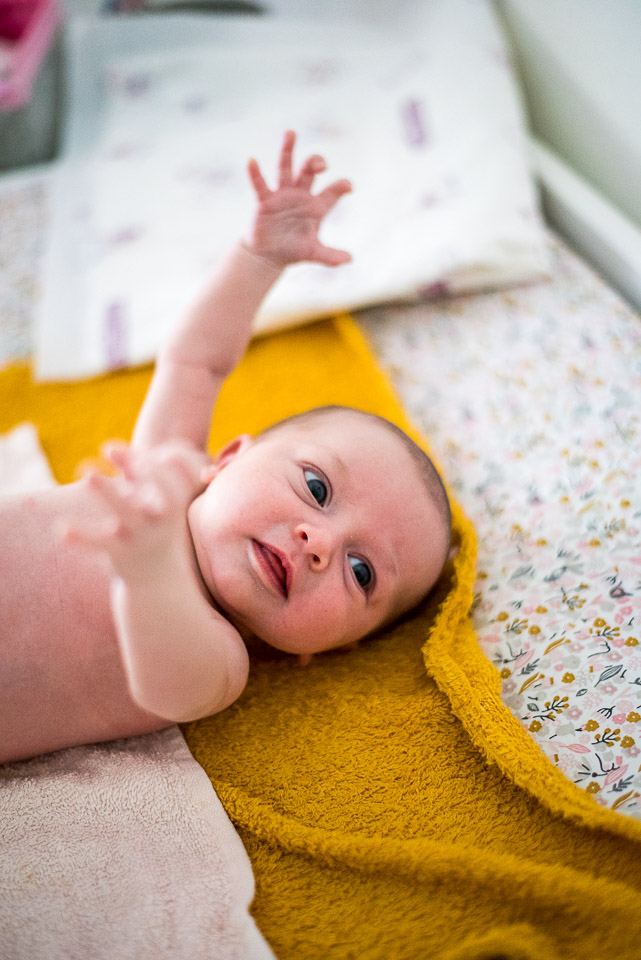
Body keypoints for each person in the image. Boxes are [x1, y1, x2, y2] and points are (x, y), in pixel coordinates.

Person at [0, 131, 451, 764]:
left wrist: (150, 564)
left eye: (362, 572)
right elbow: (198, 360)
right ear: (229, 456)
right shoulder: (172, 471)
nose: (319, 545)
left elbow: (166, 682)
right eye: (317, 488)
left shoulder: (219, 663)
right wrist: (259, 259)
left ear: (326, 650)